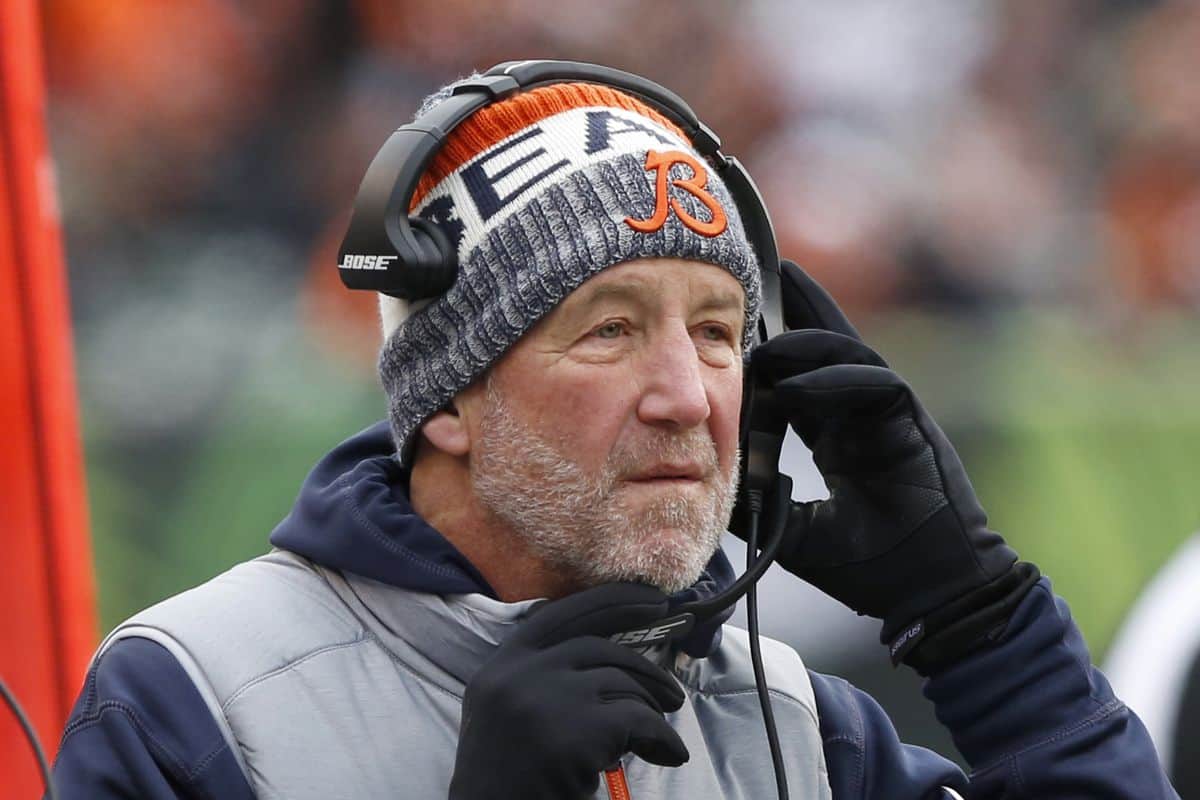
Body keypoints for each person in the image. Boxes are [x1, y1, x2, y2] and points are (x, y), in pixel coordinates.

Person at [51, 72, 1177, 799]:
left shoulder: (799, 727)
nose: (687, 396)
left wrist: (983, 624)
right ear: (448, 395)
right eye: (611, 330)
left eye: (718, 332)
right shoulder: (189, 700)